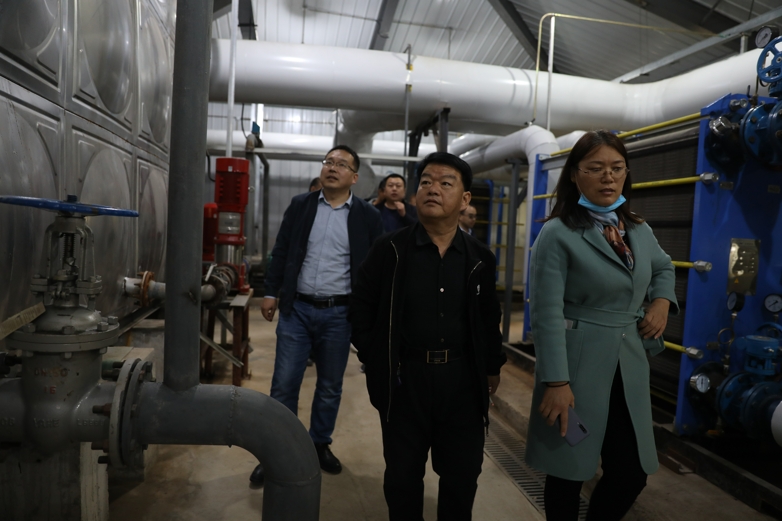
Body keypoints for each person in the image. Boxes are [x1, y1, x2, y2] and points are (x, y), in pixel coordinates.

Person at [525, 130, 678, 521]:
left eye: (617, 168)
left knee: (631, 472)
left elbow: (663, 267)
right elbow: (545, 313)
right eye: (595, 168)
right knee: (569, 468)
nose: (608, 177)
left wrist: (662, 301)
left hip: (627, 366)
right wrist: (556, 383)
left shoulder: (637, 229)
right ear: (575, 175)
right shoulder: (558, 234)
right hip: (577, 371)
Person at [349, 152, 506, 521]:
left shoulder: (480, 257)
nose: (433, 189)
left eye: (445, 183)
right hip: (405, 379)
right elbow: (361, 306)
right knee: (402, 476)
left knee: (462, 475)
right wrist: (376, 356)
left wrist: (491, 366)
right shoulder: (389, 249)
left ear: (465, 199)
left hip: (462, 381)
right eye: (426, 182)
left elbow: (488, 317)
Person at [251, 145, 384, 485]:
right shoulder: (301, 205)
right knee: (284, 384)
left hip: (339, 314)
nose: (332, 168)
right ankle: (278, 450)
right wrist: (271, 292)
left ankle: (318, 444)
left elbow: (375, 268)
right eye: (328, 162)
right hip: (297, 310)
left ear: (354, 177)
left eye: (341, 164)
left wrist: (371, 313)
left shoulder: (367, 216)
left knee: (329, 386)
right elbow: (281, 250)